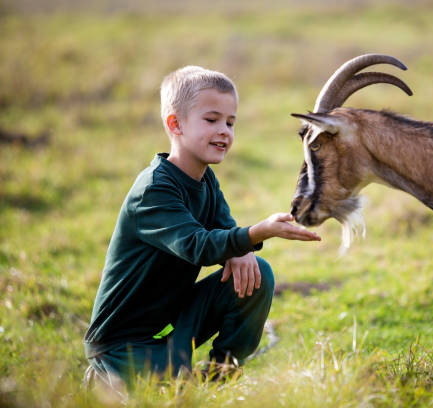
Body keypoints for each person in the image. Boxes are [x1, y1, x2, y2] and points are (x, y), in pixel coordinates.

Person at [83, 65, 320, 394]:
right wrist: (258, 233)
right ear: (175, 124)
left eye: (231, 122)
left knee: (256, 273)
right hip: (121, 344)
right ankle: (105, 378)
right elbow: (198, 245)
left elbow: (225, 230)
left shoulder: (206, 180)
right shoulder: (154, 190)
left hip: (173, 324)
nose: (224, 130)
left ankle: (220, 377)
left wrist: (240, 251)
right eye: (212, 120)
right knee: (168, 394)